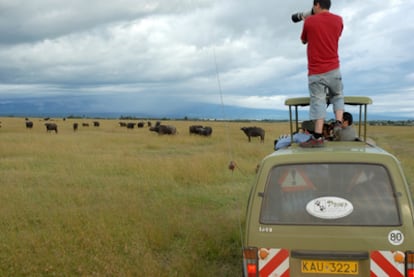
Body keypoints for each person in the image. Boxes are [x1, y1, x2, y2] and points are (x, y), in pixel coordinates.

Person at [299, 0, 344, 148]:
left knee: (318, 101)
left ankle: (317, 137)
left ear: (317, 4)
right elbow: (336, 35)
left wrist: (306, 21)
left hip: (316, 71)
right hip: (334, 68)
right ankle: (338, 123)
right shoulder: (339, 20)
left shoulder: (309, 21)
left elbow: (303, 40)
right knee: (337, 95)